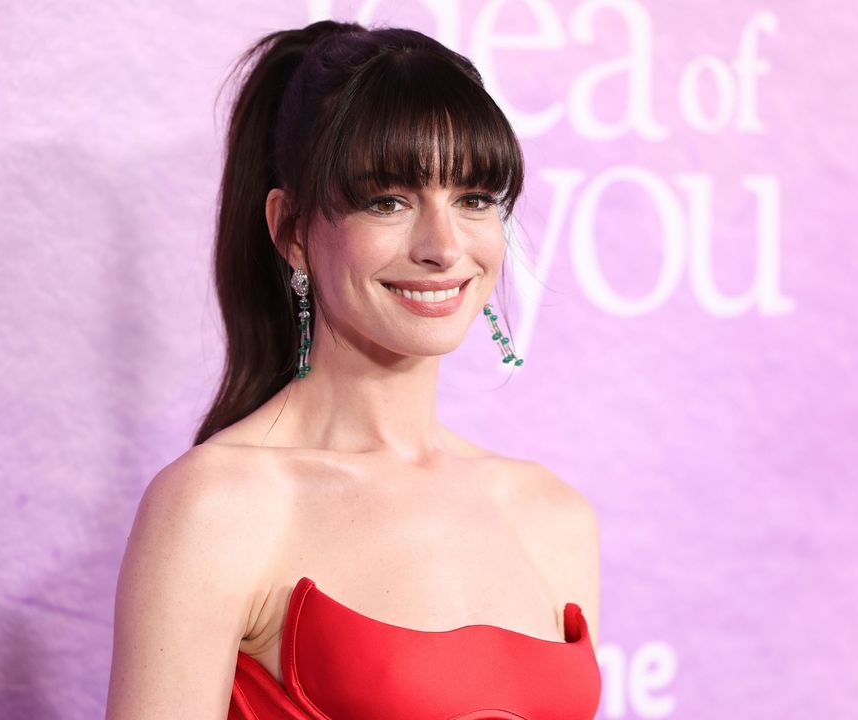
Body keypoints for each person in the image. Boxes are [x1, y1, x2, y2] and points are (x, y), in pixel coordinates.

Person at [106, 20, 603, 720]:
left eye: (475, 200)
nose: (443, 246)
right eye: (388, 201)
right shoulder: (217, 507)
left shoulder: (552, 517)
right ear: (292, 233)